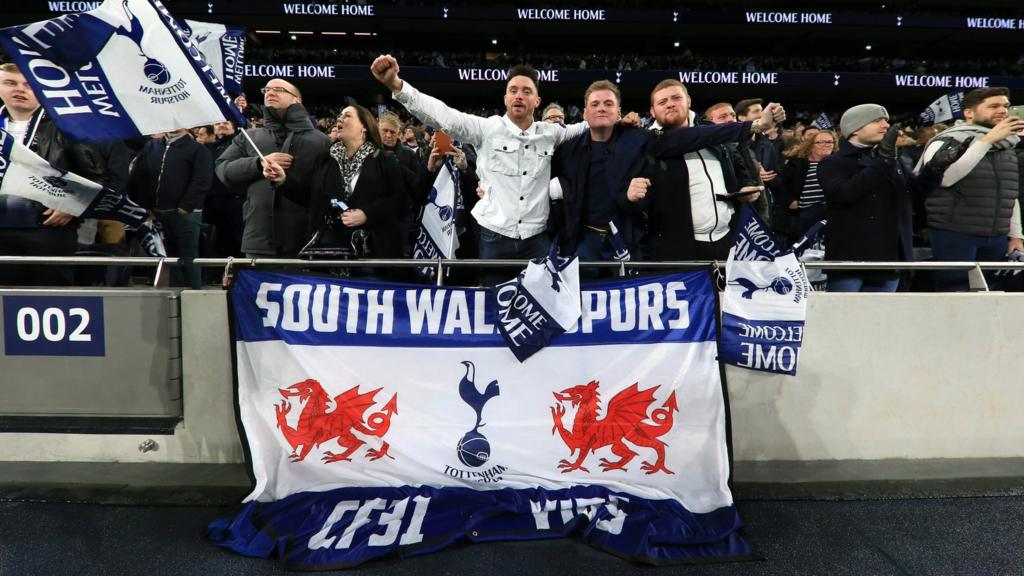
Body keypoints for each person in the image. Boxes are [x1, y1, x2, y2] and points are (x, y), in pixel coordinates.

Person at [371, 55, 587, 283]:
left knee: (539, 309)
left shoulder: (551, 133)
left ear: (537, 101)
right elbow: (443, 115)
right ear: (505, 98)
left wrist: (622, 119)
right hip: (494, 238)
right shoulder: (486, 128)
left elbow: (589, 125)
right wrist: (396, 85)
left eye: (526, 91)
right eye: (513, 90)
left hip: (537, 238)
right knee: (493, 306)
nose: (519, 96)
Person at [631, 80, 782, 261]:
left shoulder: (711, 131)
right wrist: (755, 125)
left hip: (728, 240)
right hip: (678, 249)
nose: (670, 103)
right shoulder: (648, 141)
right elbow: (693, 138)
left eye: (676, 98)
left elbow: (736, 162)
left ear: (689, 101)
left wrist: (743, 186)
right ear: (653, 112)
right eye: (662, 102)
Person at [264, 104, 408, 275]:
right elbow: (310, 197)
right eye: (339, 115)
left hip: (372, 253)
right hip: (328, 252)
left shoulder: (384, 159)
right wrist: (283, 181)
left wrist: (367, 213)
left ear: (364, 126)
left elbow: (401, 200)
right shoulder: (325, 159)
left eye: (347, 115)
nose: (339, 119)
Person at [0, 62, 107, 286]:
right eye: (10, 83)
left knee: (51, 298)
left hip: (47, 230)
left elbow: (97, 175)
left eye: (28, 85)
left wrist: (73, 206)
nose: (20, 89)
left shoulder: (66, 127)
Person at [915, 87, 1024, 291]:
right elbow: (945, 180)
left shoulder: (1007, 146)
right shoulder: (946, 140)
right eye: (994, 106)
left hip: (997, 236)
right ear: (969, 113)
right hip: (954, 232)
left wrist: (1016, 235)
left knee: (992, 296)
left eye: (1006, 106)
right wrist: (987, 140)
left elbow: (1009, 193)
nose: (1003, 111)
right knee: (954, 294)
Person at [216, 78, 331, 258]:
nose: (270, 92)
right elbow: (223, 169)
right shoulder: (250, 136)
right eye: (267, 90)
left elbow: (327, 189)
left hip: (305, 240)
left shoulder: (321, 141)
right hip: (259, 238)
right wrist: (257, 163)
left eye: (278, 89)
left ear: (296, 100)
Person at [817, 104, 920, 292]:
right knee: (843, 317)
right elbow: (844, 194)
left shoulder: (894, 161)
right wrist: (883, 161)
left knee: (879, 319)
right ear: (855, 129)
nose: (885, 125)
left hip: (890, 257)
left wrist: (934, 171)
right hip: (851, 258)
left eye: (886, 121)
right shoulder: (832, 162)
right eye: (877, 121)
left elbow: (915, 194)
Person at [128, 128, 212, 289]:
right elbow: (139, 177)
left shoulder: (198, 149)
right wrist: (146, 207)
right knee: (165, 257)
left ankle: (193, 298)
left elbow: (201, 181)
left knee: (188, 257)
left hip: (186, 214)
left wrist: (185, 207)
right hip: (156, 213)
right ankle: (172, 295)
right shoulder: (151, 146)